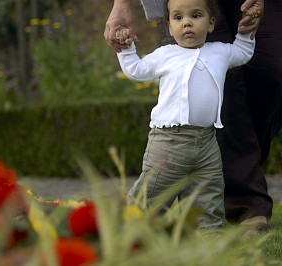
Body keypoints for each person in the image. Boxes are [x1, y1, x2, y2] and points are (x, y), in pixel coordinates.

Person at [105, 0, 282, 234]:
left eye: (195, 16)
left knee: (207, 186)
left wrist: (246, 33)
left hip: (207, 139)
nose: (187, 22)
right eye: (178, 18)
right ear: (169, 27)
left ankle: (208, 230)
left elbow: (243, 51)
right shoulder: (165, 55)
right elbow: (136, 71)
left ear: (211, 24)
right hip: (169, 140)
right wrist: (126, 49)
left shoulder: (220, 51)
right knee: (156, 185)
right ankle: (135, 223)